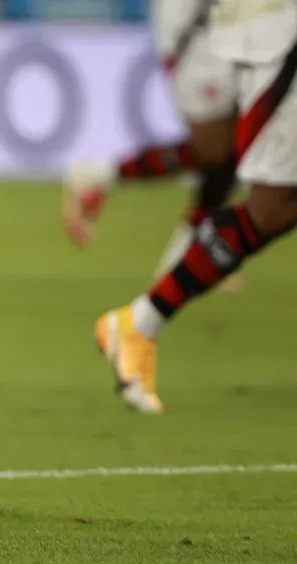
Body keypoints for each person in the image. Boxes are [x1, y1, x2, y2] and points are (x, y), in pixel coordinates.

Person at [93, 0, 297, 414]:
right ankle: (140, 321)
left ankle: (142, 320)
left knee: (271, 204)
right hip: (280, 29)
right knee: (270, 205)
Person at [62, 0, 244, 292]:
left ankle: (189, 254)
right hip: (200, 39)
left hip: (228, 36)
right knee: (215, 151)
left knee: (232, 150)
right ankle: (97, 173)